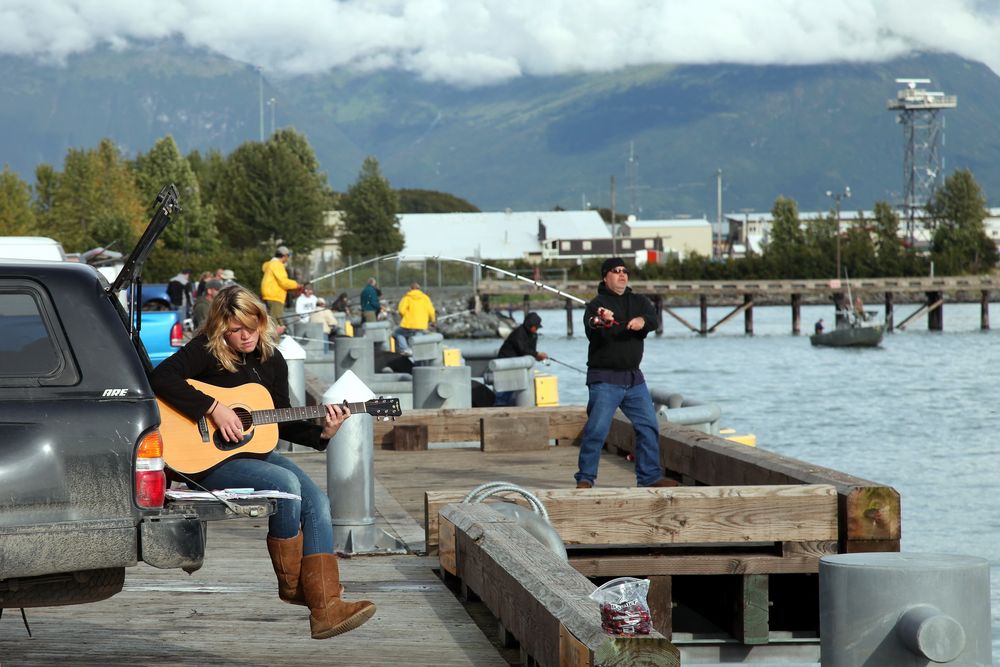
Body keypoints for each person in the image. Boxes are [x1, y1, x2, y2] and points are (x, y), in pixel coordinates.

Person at [150, 286, 376, 640]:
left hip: (253, 454)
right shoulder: (205, 352)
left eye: (252, 327)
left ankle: (326, 607)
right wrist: (214, 407)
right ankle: (291, 585)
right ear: (222, 327)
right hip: (206, 461)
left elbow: (282, 420)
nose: (246, 336)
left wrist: (325, 433)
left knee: (318, 501)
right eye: (237, 329)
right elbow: (159, 378)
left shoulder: (272, 360)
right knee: (286, 486)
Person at [575, 258, 676, 489]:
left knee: (649, 425)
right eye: (616, 271)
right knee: (597, 429)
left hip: (634, 379)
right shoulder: (596, 305)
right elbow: (592, 326)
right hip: (604, 379)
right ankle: (585, 478)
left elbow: (653, 320)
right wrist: (601, 320)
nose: (622, 275)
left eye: (625, 271)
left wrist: (642, 321)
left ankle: (649, 478)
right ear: (605, 277)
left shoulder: (638, 301)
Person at [494, 311, 548, 407]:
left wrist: (537, 356)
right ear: (530, 325)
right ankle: (499, 405)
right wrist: (536, 354)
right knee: (505, 389)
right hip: (506, 361)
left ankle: (507, 404)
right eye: (535, 327)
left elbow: (530, 351)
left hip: (517, 364)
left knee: (513, 388)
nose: (536, 329)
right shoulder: (519, 333)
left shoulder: (534, 336)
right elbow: (522, 349)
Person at [393, 282, 435, 356]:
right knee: (419, 334)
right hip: (421, 325)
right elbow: (431, 311)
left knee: (398, 333)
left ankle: (405, 349)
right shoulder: (425, 298)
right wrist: (433, 320)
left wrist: (405, 316)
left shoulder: (406, 298)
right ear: (419, 289)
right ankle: (416, 350)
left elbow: (401, 310)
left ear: (411, 289)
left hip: (408, 324)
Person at [260, 245, 298, 325]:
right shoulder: (277, 265)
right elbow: (283, 282)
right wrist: (296, 285)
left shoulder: (271, 264)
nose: (288, 258)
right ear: (284, 256)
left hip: (269, 296)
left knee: (272, 321)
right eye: (288, 256)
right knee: (276, 323)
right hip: (275, 297)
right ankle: (274, 338)